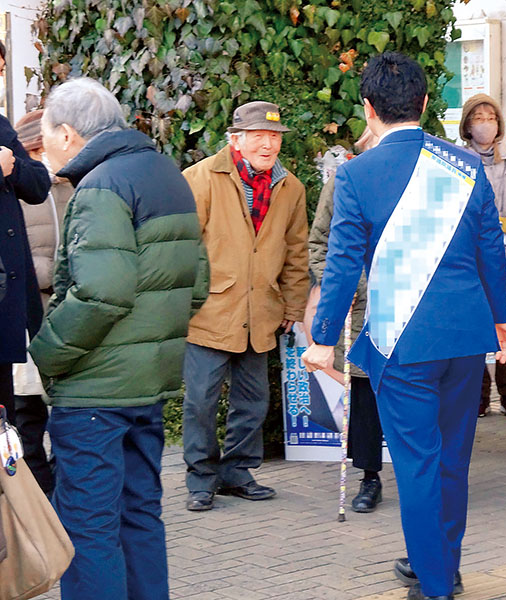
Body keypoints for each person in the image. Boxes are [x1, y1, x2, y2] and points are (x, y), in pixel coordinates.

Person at [302, 52, 506, 600]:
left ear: (369, 109)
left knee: (418, 467)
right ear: (426, 103)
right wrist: (502, 318)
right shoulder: (465, 166)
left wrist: (322, 340)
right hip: (465, 340)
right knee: (452, 461)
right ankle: (441, 564)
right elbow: (489, 251)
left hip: (401, 343)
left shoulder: (356, 174)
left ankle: (434, 585)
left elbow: (342, 263)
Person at [28, 77, 207, 600]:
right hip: (148, 385)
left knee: (88, 531)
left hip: (94, 394)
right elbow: (197, 284)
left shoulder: (102, 185)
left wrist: (47, 352)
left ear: (66, 133)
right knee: (140, 518)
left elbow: (102, 293)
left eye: (44, 133)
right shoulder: (166, 173)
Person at [181, 101, 309, 512]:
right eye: (258, 135)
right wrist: (189, 298)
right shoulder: (200, 178)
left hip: (262, 313)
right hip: (210, 311)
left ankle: (237, 471)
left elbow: (296, 251)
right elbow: (183, 248)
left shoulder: (290, 187)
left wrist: (293, 303)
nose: (268, 144)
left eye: (274, 136)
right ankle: (201, 477)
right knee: (200, 399)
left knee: (253, 400)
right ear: (235, 138)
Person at [308, 127, 385, 512]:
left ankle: (424, 474)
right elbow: (319, 243)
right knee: (365, 392)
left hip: (407, 306)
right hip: (360, 307)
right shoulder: (343, 181)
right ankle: (370, 476)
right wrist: (347, 282)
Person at [12, 109, 72, 496]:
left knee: (67, 417)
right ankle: (41, 502)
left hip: (67, 319)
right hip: (24, 319)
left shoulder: (73, 186)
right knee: (26, 416)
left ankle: (64, 497)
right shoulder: (15, 188)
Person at [459, 93, 506, 418]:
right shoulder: (456, 159)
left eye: (490, 118)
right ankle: (478, 394)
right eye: (478, 118)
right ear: (467, 125)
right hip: (469, 258)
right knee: (473, 327)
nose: (485, 124)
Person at [0, 40, 51, 427]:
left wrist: (11, 166)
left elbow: (37, 183)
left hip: (7, 300)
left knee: (8, 418)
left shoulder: (1, 127)